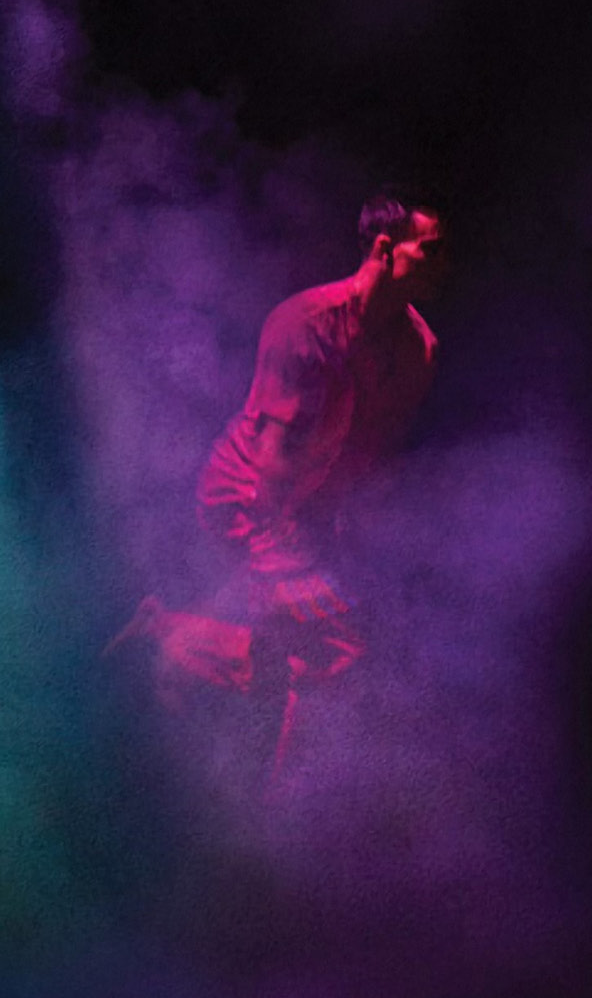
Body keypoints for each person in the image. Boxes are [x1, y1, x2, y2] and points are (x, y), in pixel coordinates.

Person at [109, 188, 448, 794]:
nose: (444, 263)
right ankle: (267, 789)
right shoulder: (304, 326)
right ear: (384, 248)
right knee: (336, 648)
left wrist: (336, 535)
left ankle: (173, 642)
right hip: (242, 499)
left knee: (311, 649)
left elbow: (369, 454)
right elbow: (269, 461)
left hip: (306, 510)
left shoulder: (416, 350)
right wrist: (280, 561)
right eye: (430, 248)